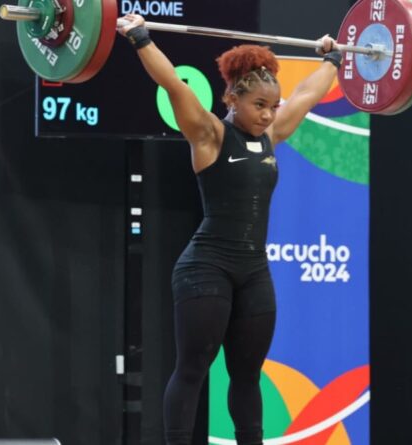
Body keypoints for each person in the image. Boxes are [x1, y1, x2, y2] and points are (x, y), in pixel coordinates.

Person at [117, 14, 342, 445]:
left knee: (246, 376)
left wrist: (331, 59)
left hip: (253, 271)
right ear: (233, 99)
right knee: (193, 369)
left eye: (272, 106)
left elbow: (307, 96)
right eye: (259, 105)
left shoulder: (273, 133)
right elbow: (175, 86)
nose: (267, 114)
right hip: (206, 267)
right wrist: (140, 37)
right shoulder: (210, 135)